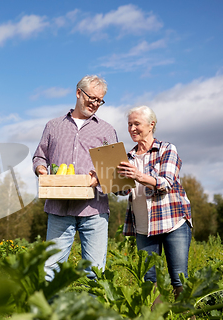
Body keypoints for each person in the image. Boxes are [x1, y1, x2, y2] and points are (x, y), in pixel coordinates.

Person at [33, 75, 118, 281]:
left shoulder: (106, 129)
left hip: (94, 210)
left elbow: (115, 169)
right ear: (78, 92)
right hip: (59, 208)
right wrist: (41, 169)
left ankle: (89, 314)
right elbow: (39, 156)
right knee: (50, 269)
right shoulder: (53, 126)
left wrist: (99, 177)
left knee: (95, 272)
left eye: (100, 100)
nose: (95, 103)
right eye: (92, 98)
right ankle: (48, 313)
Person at [117, 105, 192, 300]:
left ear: (151, 125)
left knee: (179, 278)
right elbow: (122, 191)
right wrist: (114, 180)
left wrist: (138, 175)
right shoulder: (128, 157)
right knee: (149, 279)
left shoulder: (167, 149)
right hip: (143, 226)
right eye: (129, 124)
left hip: (172, 222)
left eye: (136, 124)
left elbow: (166, 183)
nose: (132, 128)